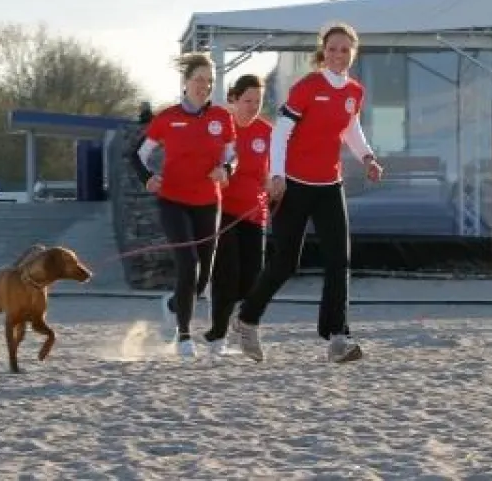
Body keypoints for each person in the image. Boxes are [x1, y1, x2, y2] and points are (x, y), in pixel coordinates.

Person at [232, 22, 383, 364]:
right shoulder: (306, 87)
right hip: (294, 184)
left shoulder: (354, 92)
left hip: (330, 185)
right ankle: (246, 319)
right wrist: (277, 175)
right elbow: (281, 134)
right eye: (332, 49)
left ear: (353, 54)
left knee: (338, 262)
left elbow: (350, 128)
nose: (338, 55)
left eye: (345, 50)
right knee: (285, 262)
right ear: (323, 51)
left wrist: (368, 158)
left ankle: (338, 337)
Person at [130, 52, 236, 360]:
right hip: (174, 202)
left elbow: (232, 155)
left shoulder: (221, 117)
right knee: (188, 264)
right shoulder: (167, 117)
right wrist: (147, 178)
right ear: (186, 82)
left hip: (208, 202)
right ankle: (184, 336)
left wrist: (226, 170)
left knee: (203, 279)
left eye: (209, 81)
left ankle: (174, 305)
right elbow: (138, 154)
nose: (203, 86)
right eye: (198, 79)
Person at [202, 73, 272, 358]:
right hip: (222, 211)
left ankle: (177, 304)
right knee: (226, 276)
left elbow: (267, 172)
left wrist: (274, 185)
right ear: (233, 99)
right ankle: (217, 338)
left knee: (252, 279)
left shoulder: (266, 132)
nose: (252, 106)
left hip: (254, 213)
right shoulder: (220, 127)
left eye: (258, 101)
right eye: (247, 100)